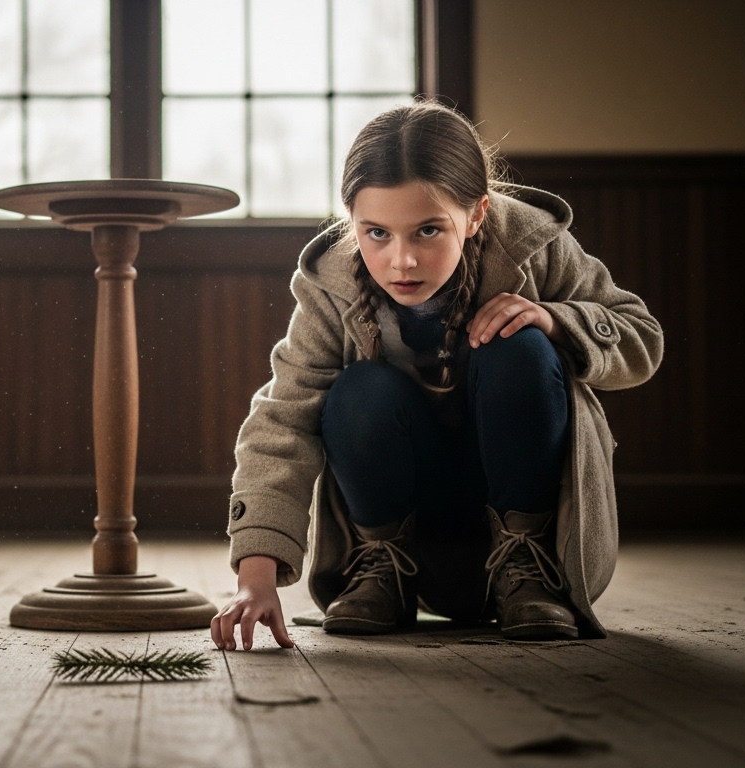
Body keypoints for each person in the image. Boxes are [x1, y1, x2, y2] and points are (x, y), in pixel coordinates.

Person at [210, 101, 663, 651]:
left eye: (428, 230)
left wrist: (555, 320)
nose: (402, 260)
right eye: (375, 232)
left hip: (538, 538)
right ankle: (382, 569)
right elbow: (282, 418)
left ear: (476, 216)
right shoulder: (330, 285)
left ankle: (526, 564)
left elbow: (643, 338)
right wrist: (255, 579)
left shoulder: (534, 245)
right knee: (358, 389)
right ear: (350, 220)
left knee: (518, 344)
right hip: (412, 531)